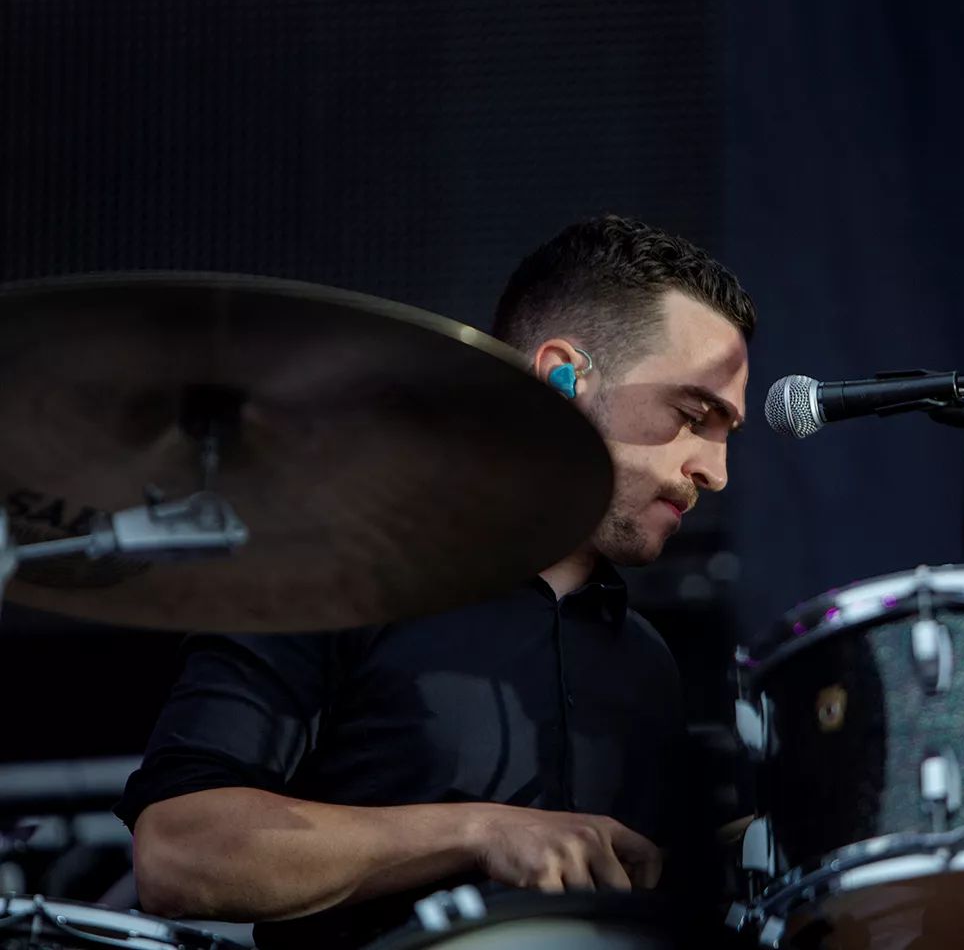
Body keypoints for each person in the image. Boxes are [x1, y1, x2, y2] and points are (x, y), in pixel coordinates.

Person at [114, 215, 755, 949]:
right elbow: (177, 852)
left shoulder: (648, 661)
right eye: (692, 416)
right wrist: (478, 831)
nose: (716, 471)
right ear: (563, 378)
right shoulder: (335, 576)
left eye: (727, 436)